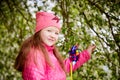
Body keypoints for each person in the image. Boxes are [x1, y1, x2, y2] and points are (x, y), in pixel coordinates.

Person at [14, 11, 96, 80]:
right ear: (39, 32)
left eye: (56, 33)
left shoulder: (50, 52)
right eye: (49, 30)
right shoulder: (35, 54)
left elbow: (64, 67)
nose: (53, 35)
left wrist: (86, 54)